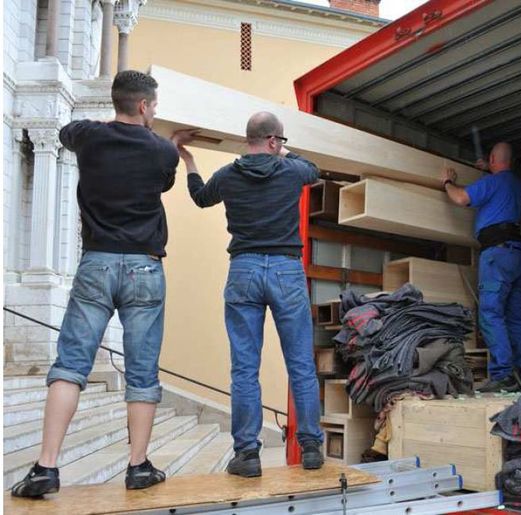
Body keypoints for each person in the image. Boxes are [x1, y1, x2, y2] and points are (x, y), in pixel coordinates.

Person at [11, 70, 188, 497]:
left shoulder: (87, 136)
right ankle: (138, 466)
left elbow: (69, 131)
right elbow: (163, 177)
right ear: (145, 106)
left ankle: (46, 467)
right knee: (142, 371)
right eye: (154, 105)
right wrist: (165, 139)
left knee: (71, 364)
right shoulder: (164, 151)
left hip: (97, 262)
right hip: (145, 267)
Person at [174, 111, 324, 477]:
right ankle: (311, 449)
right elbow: (313, 169)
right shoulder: (291, 170)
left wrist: (189, 158)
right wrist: (282, 152)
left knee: (244, 368)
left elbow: (199, 197)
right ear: (274, 141)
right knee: (301, 364)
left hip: (244, 270)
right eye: (280, 141)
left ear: (248, 139)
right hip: (286, 271)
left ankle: (247, 455)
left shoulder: (228, 175)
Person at [441, 142, 521, 393]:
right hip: (517, 255)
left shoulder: (494, 182)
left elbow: (462, 198)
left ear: (494, 159)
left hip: (496, 255)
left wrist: (447, 183)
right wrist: (489, 168)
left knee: (491, 313)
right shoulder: (516, 185)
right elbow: (501, 185)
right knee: (516, 318)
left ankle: (503, 374)